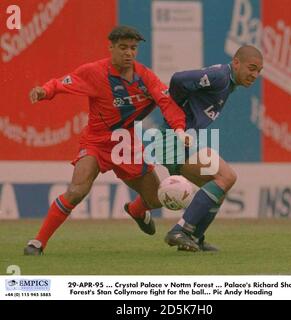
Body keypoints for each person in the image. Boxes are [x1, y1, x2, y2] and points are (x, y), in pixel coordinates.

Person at [24, 25, 187, 255]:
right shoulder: (95, 72)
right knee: (77, 191)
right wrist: (44, 91)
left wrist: (179, 130)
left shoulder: (145, 77)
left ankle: (136, 210)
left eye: (133, 48)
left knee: (157, 198)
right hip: (96, 142)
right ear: (111, 47)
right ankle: (37, 243)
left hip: (125, 144)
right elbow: (64, 82)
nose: (129, 53)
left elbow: (166, 102)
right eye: (123, 47)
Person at [127, 45, 263, 252]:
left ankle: (194, 237)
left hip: (177, 138)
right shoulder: (220, 76)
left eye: (258, 71)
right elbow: (179, 79)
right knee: (226, 177)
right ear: (236, 62)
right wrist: (175, 111)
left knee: (220, 187)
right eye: (251, 68)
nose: (254, 75)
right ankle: (180, 230)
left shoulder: (228, 82)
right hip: (172, 137)